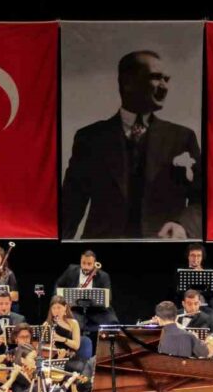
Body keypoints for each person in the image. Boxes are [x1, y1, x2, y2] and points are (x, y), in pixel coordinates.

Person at [62, 50, 202, 240]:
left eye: (167, 79)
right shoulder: (90, 139)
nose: (164, 86)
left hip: (161, 247)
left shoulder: (182, 138)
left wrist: (182, 226)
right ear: (127, 82)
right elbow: (70, 205)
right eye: (156, 77)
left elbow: (201, 199)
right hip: (104, 248)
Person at [54, 250, 117, 334]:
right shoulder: (71, 270)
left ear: (95, 263)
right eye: (83, 263)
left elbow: (108, 298)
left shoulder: (103, 276)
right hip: (76, 309)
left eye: (89, 264)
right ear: (80, 261)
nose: (86, 267)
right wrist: (58, 301)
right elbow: (58, 284)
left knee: (112, 322)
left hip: (96, 310)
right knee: (72, 323)